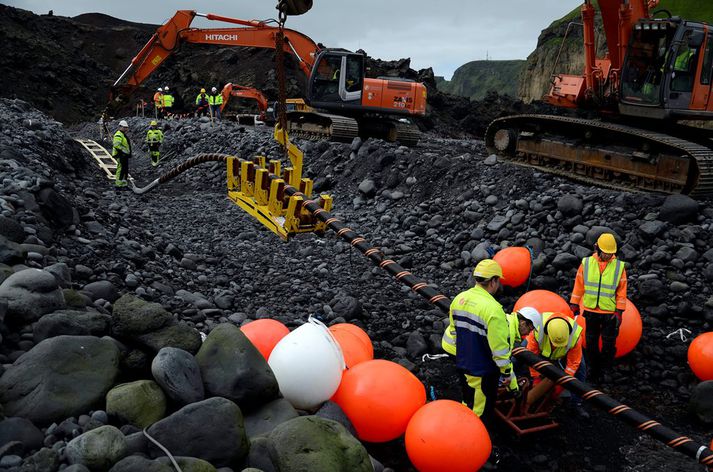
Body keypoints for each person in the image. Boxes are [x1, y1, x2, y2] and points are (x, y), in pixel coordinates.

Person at [448, 259, 519, 428]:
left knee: (467, 402)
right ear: (494, 281)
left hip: (462, 364)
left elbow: (453, 333)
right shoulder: (494, 310)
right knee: (480, 416)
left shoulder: (459, 299)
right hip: (483, 372)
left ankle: (458, 436)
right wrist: (507, 374)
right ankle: (472, 446)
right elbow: (500, 350)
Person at [569, 233, 627, 383]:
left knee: (609, 343)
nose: (608, 256)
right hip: (591, 311)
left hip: (609, 313)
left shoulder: (619, 267)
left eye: (610, 254)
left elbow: (621, 291)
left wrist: (619, 311)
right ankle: (592, 368)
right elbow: (579, 285)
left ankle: (606, 369)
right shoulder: (587, 263)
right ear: (597, 248)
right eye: (605, 253)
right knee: (591, 342)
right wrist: (574, 303)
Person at [525, 312, 589, 418]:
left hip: (564, 354)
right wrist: (536, 377)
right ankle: (511, 384)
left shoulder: (575, 337)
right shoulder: (538, 331)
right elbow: (531, 357)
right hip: (542, 352)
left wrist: (561, 385)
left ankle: (575, 404)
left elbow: (572, 364)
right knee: (520, 355)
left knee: (580, 371)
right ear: (548, 334)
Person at [112, 120, 131, 188]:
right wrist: (123, 152)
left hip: (124, 155)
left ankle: (124, 184)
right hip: (120, 155)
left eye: (126, 127)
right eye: (124, 127)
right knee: (121, 169)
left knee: (125, 169)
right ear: (120, 127)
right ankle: (118, 184)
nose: (126, 129)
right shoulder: (118, 134)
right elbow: (117, 145)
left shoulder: (122, 134)